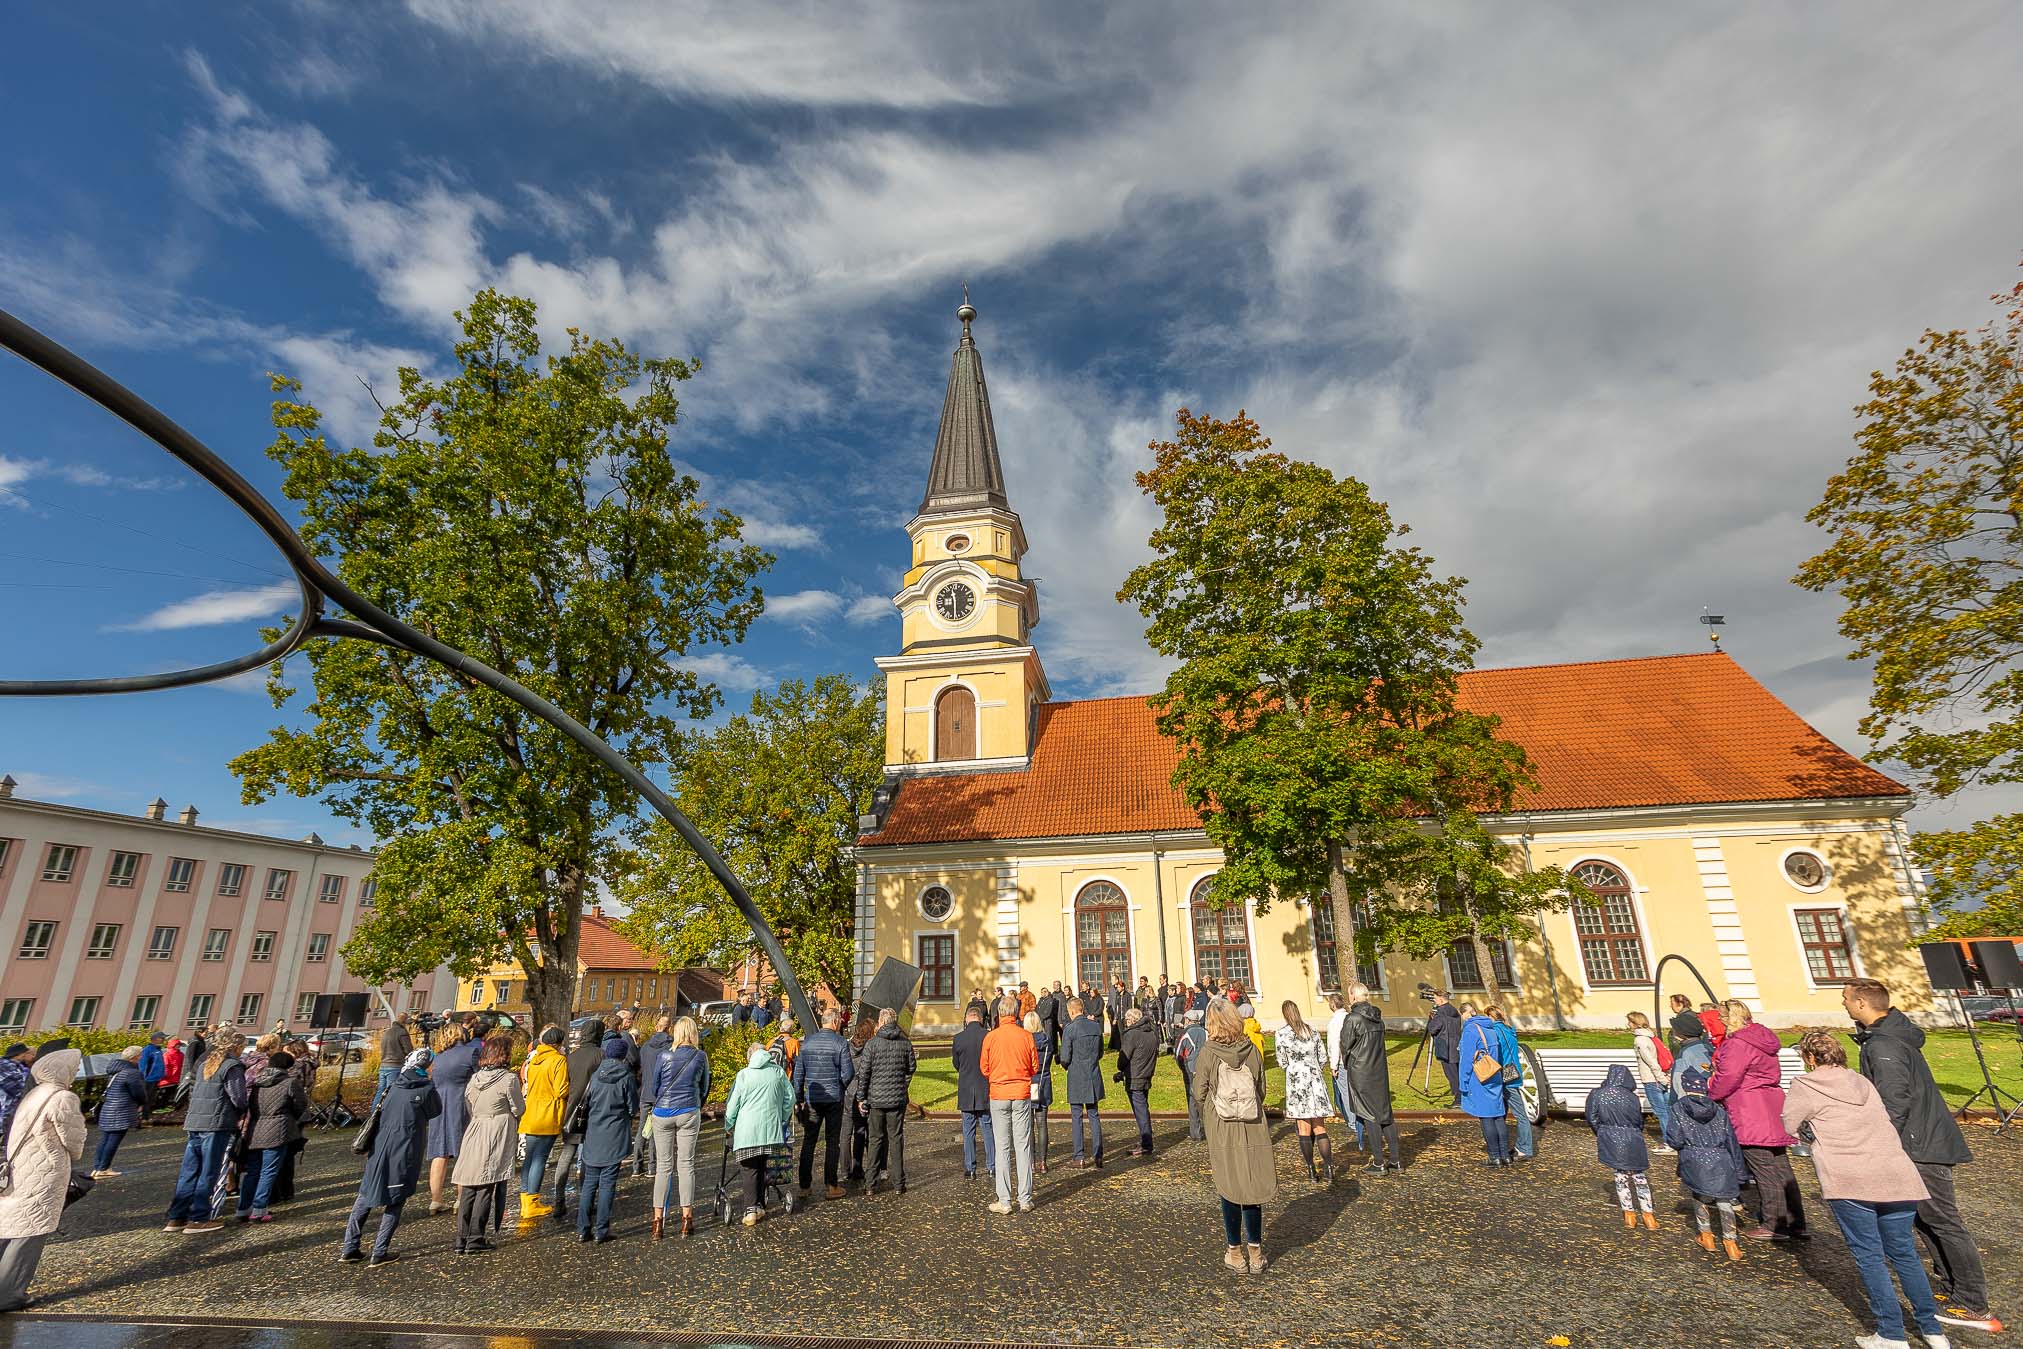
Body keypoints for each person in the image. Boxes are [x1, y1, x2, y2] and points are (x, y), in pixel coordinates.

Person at [1846, 977, 1998, 1334]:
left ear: (1863, 1004)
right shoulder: (1887, 1037)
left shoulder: (1884, 1045)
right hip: (1920, 1141)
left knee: (1944, 1221)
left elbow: (1894, 1101)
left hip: (1919, 1145)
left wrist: (1879, 1147)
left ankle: (1974, 1303)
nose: (1844, 1004)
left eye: (1846, 999)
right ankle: (1951, 1288)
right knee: (1925, 1218)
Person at [1782, 1030, 1952, 1349]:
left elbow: (1789, 1124)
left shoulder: (1805, 1085)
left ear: (1808, 1058)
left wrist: (1813, 1135)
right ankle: (1932, 1330)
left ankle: (1890, 1333)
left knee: (1870, 1255)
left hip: (1850, 1177)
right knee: (1904, 1254)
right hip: (1895, 1173)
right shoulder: (1863, 1082)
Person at [1708, 999, 1805, 1242]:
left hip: (1749, 1107)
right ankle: (1796, 1222)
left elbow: (1728, 1076)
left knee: (1763, 1168)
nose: (1718, 1022)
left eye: (1720, 1018)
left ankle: (1775, 1224)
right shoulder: (1760, 1038)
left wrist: (1711, 1092)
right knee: (1780, 1167)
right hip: (1769, 1103)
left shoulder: (1738, 1044)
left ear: (1728, 1019)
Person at [0, 1046, 83, 1313]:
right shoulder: (63, 1097)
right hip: (44, 1170)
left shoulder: (34, 1093)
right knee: (31, 1232)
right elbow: (73, 1141)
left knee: (10, 1227)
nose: (76, 1071)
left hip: (21, 1166)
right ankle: (9, 1293)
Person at [341, 1047, 440, 1267]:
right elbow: (435, 1111)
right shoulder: (426, 1089)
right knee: (396, 1197)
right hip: (405, 1147)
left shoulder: (394, 1084)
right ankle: (380, 1250)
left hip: (381, 1144)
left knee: (366, 1193)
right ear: (426, 1066)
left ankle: (350, 1247)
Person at [1196, 999, 1275, 1274]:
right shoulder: (1251, 1049)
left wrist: (1209, 1111)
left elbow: (1199, 1091)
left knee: (1229, 1185)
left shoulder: (1208, 1052)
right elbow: (1261, 1087)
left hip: (1222, 1125)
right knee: (1251, 1186)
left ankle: (1235, 1252)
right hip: (1252, 1122)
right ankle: (1255, 1251)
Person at [164, 1031, 247, 1233]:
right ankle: (199, 1217)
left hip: (195, 1121)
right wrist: (242, 1112)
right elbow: (238, 1097)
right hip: (216, 1123)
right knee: (208, 1171)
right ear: (236, 1048)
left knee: (189, 1171)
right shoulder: (232, 1066)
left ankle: (177, 1217)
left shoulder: (204, 1064)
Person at [449, 1033, 521, 1254]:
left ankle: (462, 1237)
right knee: (487, 1184)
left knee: (470, 1183)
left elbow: (470, 1105)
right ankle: (476, 1236)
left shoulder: (475, 1078)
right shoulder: (508, 1079)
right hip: (496, 1130)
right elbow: (519, 1107)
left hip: (476, 1128)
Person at [1666, 1065, 1747, 1261]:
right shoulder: (1719, 1111)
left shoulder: (1678, 1109)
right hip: (1721, 1159)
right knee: (1724, 1199)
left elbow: (1674, 1140)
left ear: (1685, 1087)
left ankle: (1706, 1235)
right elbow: (1731, 1141)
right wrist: (1740, 1172)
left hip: (1694, 1158)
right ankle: (1731, 1242)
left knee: (1699, 1195)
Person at [649, 1017, 710, 1239]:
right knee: (686, 1164)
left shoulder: (664, 1055)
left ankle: (658, 1222)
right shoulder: (700, 1056)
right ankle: (686, 1218)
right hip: (688, 1110)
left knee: (663, 1167)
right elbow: (704, 1087)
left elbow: (655, 1086)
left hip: (663, 1112)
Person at [723, 1041, 792, 1227]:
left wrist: (728, 1125)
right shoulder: (778, 1072)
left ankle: (750, 1210)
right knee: (762, 1165)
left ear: (750, 1056)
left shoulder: (744, 1075)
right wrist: (782, 1118)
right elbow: (789, 1099)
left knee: (749, 1169)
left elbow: (732, 1107)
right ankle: (760, 1205)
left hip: (748, 1132)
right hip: (771, 1130)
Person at [981, 995, 1039, 1214]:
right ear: (1016, 1014)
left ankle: (1004, 1200)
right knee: (1023, 1146)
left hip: (999, 1094)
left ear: (999, 1013)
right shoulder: (1026, 1036)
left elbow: (984, 1068)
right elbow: (1034, 1066)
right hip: (1020, 1093)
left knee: (1002, 1147)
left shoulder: (991, 1038)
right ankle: (1025, 1198)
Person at [577, 1037, 638, 1243]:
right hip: (615, 1132)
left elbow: (587, 1101)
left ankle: (583, 1228)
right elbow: (632, 1107)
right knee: (607, 1183)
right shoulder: (625, 1076)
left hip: (594, 1131)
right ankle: (602, 1229)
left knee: (589, 1184)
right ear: (622, 1055)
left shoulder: (595, 1076)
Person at [791, 1007, 855, 1202]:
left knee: (809, 1141)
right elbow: (848, 1072)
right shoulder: (840, 1042)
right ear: (835, 1022)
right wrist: (839, 1086)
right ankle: (831, 1185)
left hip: (812, 1097)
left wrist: (799, 1098)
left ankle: (804, 1185)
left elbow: (799, 1073)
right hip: (833, 1098)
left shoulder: (808, 1042)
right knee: (832, 1141)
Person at [548, 1018, 607, 1224]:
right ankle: (586, 1201)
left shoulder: (570, 1057)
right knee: (588, 1160)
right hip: (593, 1112)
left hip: (571, 1112)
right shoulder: (601, 1055)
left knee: (566, 1156)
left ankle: (559, 1199)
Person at [1339, 982, 1402, 1173]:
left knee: (1369, 1115)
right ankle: (1396, 1160)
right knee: (1385, 1114)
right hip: (1378, 1070)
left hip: (1361, 1071)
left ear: (1353, 996)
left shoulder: (1353, 1019)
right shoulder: (1377, 1018)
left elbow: (1345, 1045)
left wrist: (1347, 1063)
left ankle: (1378, 1161)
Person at [237, 1049, 306, 1222]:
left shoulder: (257, 1082)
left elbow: (251, 1107)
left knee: (253, 1171)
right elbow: (300, 1105)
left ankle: (243, 1208)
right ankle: (259, 1209)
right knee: (268, 1171)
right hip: (279, 1128)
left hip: (256, 1128)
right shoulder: (290, 1083)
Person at [1585, 1064, 1656, 1231]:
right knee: (1639, 1176)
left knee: (1621, 1177)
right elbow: (1638, 1120)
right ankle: (1648, 1215)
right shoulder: (1631, 1097)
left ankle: (1629, 1213)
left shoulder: (1598, 1094)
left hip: (1611, 1135)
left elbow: (1592, 1117)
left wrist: (1602, 1132)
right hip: (1633, 1137)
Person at [856, 1008, 916, 1194]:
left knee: (875, 1140)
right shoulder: (905, 1043)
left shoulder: (872, 1044)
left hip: (877, 1099)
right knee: (896, 1139)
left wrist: (861, 1097)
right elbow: (911, 1068)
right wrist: (902, 1085)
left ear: (881, 1022)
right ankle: (899, 1184)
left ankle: (871, 1185)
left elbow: (864, 1073)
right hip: (897, 1099)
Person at [425, 1020, 479, 1215]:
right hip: (460, 1104)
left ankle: (435, 1200)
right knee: (462, 1152)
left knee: (440, 1153)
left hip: (438, 1106)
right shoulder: (470, 1053)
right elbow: (479, 1078)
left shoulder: (437, 1058)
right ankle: (459, 1198)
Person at [1274, 1000, 1332, 1181]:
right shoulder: (1312, 1031)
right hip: (1314, 1078)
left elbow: (1282, 1060)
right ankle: (1329, 1166)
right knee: (1319, 1127)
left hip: (1297, 1079)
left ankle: (1310, 1168)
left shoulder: (1282, 1034)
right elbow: (1322, 1057)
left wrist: (1293, 1067)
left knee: (1304, 1128)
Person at [517, 1026, 566, 1224]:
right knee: (540, 1158)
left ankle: (525, 1200)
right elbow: (561, 1089)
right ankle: (532, 1201)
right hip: (547, 1113)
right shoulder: (558, 1060)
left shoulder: (533, 1059)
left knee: (529, 1158)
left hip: (530, 1112)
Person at [1456, 1003, 1510, 1166]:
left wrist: (1463, 1083)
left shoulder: (1471, 1030)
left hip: (1479, 1075)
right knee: (1498, 1116)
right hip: (1494, 1073)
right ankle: (1505, 1154)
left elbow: (1466, 1059)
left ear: (1466, 1015)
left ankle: (1494, 1155)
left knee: (1486, 1116)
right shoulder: (1490, 1028)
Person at [950, 1005, 995, 1181]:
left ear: (967, 1019)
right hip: (985, 1086)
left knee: (968, 1130)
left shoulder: (959, 1038)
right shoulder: (988, 1036)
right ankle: (992, 1166)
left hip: (966, 1088)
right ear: (980, 1018)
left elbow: (956, 1064)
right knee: (987, 1128)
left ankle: (970, 1168)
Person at [1060, 996, 1105, 1167]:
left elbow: (1065, 1057)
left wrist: (1067, 1065)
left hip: (1077, 1075)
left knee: (1077, 1116)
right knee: (1094, 1115)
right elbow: (1100, 1052)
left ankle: (1079, 1156)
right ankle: (1098, 1155)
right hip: (1092, 1073)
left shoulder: (1070, 1029)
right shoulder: (1095, 1026)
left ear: (1071, 1011)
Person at [90, 1045, 148, 1178]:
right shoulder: (132, 1073)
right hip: (122, 1110)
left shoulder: (115, 1070)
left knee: (104, 1139)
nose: (141, 1058)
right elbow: (138, 1093)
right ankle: (104, 1168)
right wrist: (143, 1103)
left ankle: (97, 1168)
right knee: (113, 1140)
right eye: (140, 1055)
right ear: (134, 1058)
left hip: (109, 1109)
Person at [1487, 1006, 1533, 1162]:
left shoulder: (1495, 1032)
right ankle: (1506, 1147)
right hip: (1515, 1072)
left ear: (1491, 1017)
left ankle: (1525, 1148)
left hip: (1505, 1074)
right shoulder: (1509, 1029)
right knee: (1503, 1113)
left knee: (1520, 1114)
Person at [1627, 1011, 1675, 1153]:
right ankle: (1675, 1141)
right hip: (1661, 1077)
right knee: (1668, 1110)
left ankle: (1669, 1143)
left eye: (1630, 1022)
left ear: (1635, 1023)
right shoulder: (1651, 1036)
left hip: (1652, 1080)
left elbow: (1651, 1062)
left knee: (1661, 1112)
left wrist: (1660, 1078)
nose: (1628, 1025)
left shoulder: (1640, 1040)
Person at [1118, 1007, 1161, 1158]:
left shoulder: (1132, 1035)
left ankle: (1146, 1143)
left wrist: (1120, 1069)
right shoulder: (1151, 1033)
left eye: (1127, 1019)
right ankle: (1145, 1141)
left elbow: (1123, 1059)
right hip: (1146, 1074)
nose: (1126, 1022)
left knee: (1141, 1111)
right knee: (1143, 1108)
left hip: (1135, 1077)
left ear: (1132, 1020)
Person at [635, 1014, 672, 1179]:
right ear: (668, 1028)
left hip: (646, 1091)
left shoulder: (645, 1047)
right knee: (657, 1130)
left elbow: (641, 1067)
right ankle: (652, 1167)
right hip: (661, 1094)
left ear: (656, 1027)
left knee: (642, 1128)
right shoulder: (670, 1047)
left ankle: (636, 1166)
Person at [844, 1015, 877, 1185]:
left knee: (850, 1132)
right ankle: (863, 1168)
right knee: (864, 1132)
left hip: (849, 1091)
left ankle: (849, 1169)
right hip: (865, 1092)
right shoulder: (870, 1048)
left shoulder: (847, 1047)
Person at [1024, 1010, 1053, 1172]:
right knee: (1042, 1124)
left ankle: (1031, 1160)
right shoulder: (1047, 1040)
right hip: (1043, 1082)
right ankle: (1042, 1162)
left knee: (1029, 1125)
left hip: (1029, 1084)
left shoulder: (1025, 1041)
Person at [1174, 1008, 1208, 1140]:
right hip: (1206, 1069)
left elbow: (1178, 1054)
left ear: (1188, 1020)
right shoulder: (1206, 1033)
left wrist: (1183, 1068)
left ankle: (1196, 1133)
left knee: (1192, 1099)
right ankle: (1211, 1130)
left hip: (1191, 1069)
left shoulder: (1185, 1034)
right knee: (1207, 1098)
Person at [1427, 990, 1462, 1104]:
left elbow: (1433, 1028)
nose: (1434, 1001)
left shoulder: (1441, 1012)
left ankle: (1458, 1099)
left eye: (1435, 998)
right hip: (1455, 1045)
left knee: (1452, 1075)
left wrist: (1431, 1020)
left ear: (1441, 999)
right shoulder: (1453, 1010)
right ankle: (1462, 1096)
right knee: (1457, 1073)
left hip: (1445, 1047)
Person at [375, 1013, 413, 1111]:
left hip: (383, 1065)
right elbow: (409, 1051)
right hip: (395, 1065)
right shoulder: (402, 1032)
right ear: (405, 1021)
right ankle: (389, 1113)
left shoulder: (387, 1032)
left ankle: (373, 1114)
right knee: (392, 1092)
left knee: (380, 1091)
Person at [1669, 1016, 1714, 1098]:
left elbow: (1678, 1082)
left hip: (1688, 1104)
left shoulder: (1686, 1053)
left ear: (1681, 1033)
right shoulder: (1706, 1047)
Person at [137, 1032, 167, 1118]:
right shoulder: (148, 1050)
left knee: (151, 1099)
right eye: (161, 1038)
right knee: (146, 1099)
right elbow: (143, 1065)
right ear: (155, 1039)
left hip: (156, 1078)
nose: (163, 1040)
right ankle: (142, 1117)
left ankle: (146, 1116)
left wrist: (162, 1074)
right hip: (148, 1079)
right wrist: (143, 1078)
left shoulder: (158, 1050)